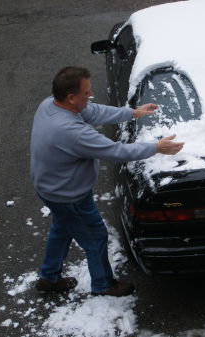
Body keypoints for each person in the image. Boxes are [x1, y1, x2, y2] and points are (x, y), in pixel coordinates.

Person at [30, 66, 184, 297]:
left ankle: (49, 277)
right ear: (71, 98)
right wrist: (156, 147)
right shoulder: (71, 131)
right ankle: (103, 284)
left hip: (51, 188)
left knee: (62, 228)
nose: (90, 96)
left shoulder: (50, 105)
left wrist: (133, 113)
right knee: (95, 238)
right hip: (68, 196)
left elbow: (93, 111)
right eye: (86, 93)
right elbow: (115, 151)